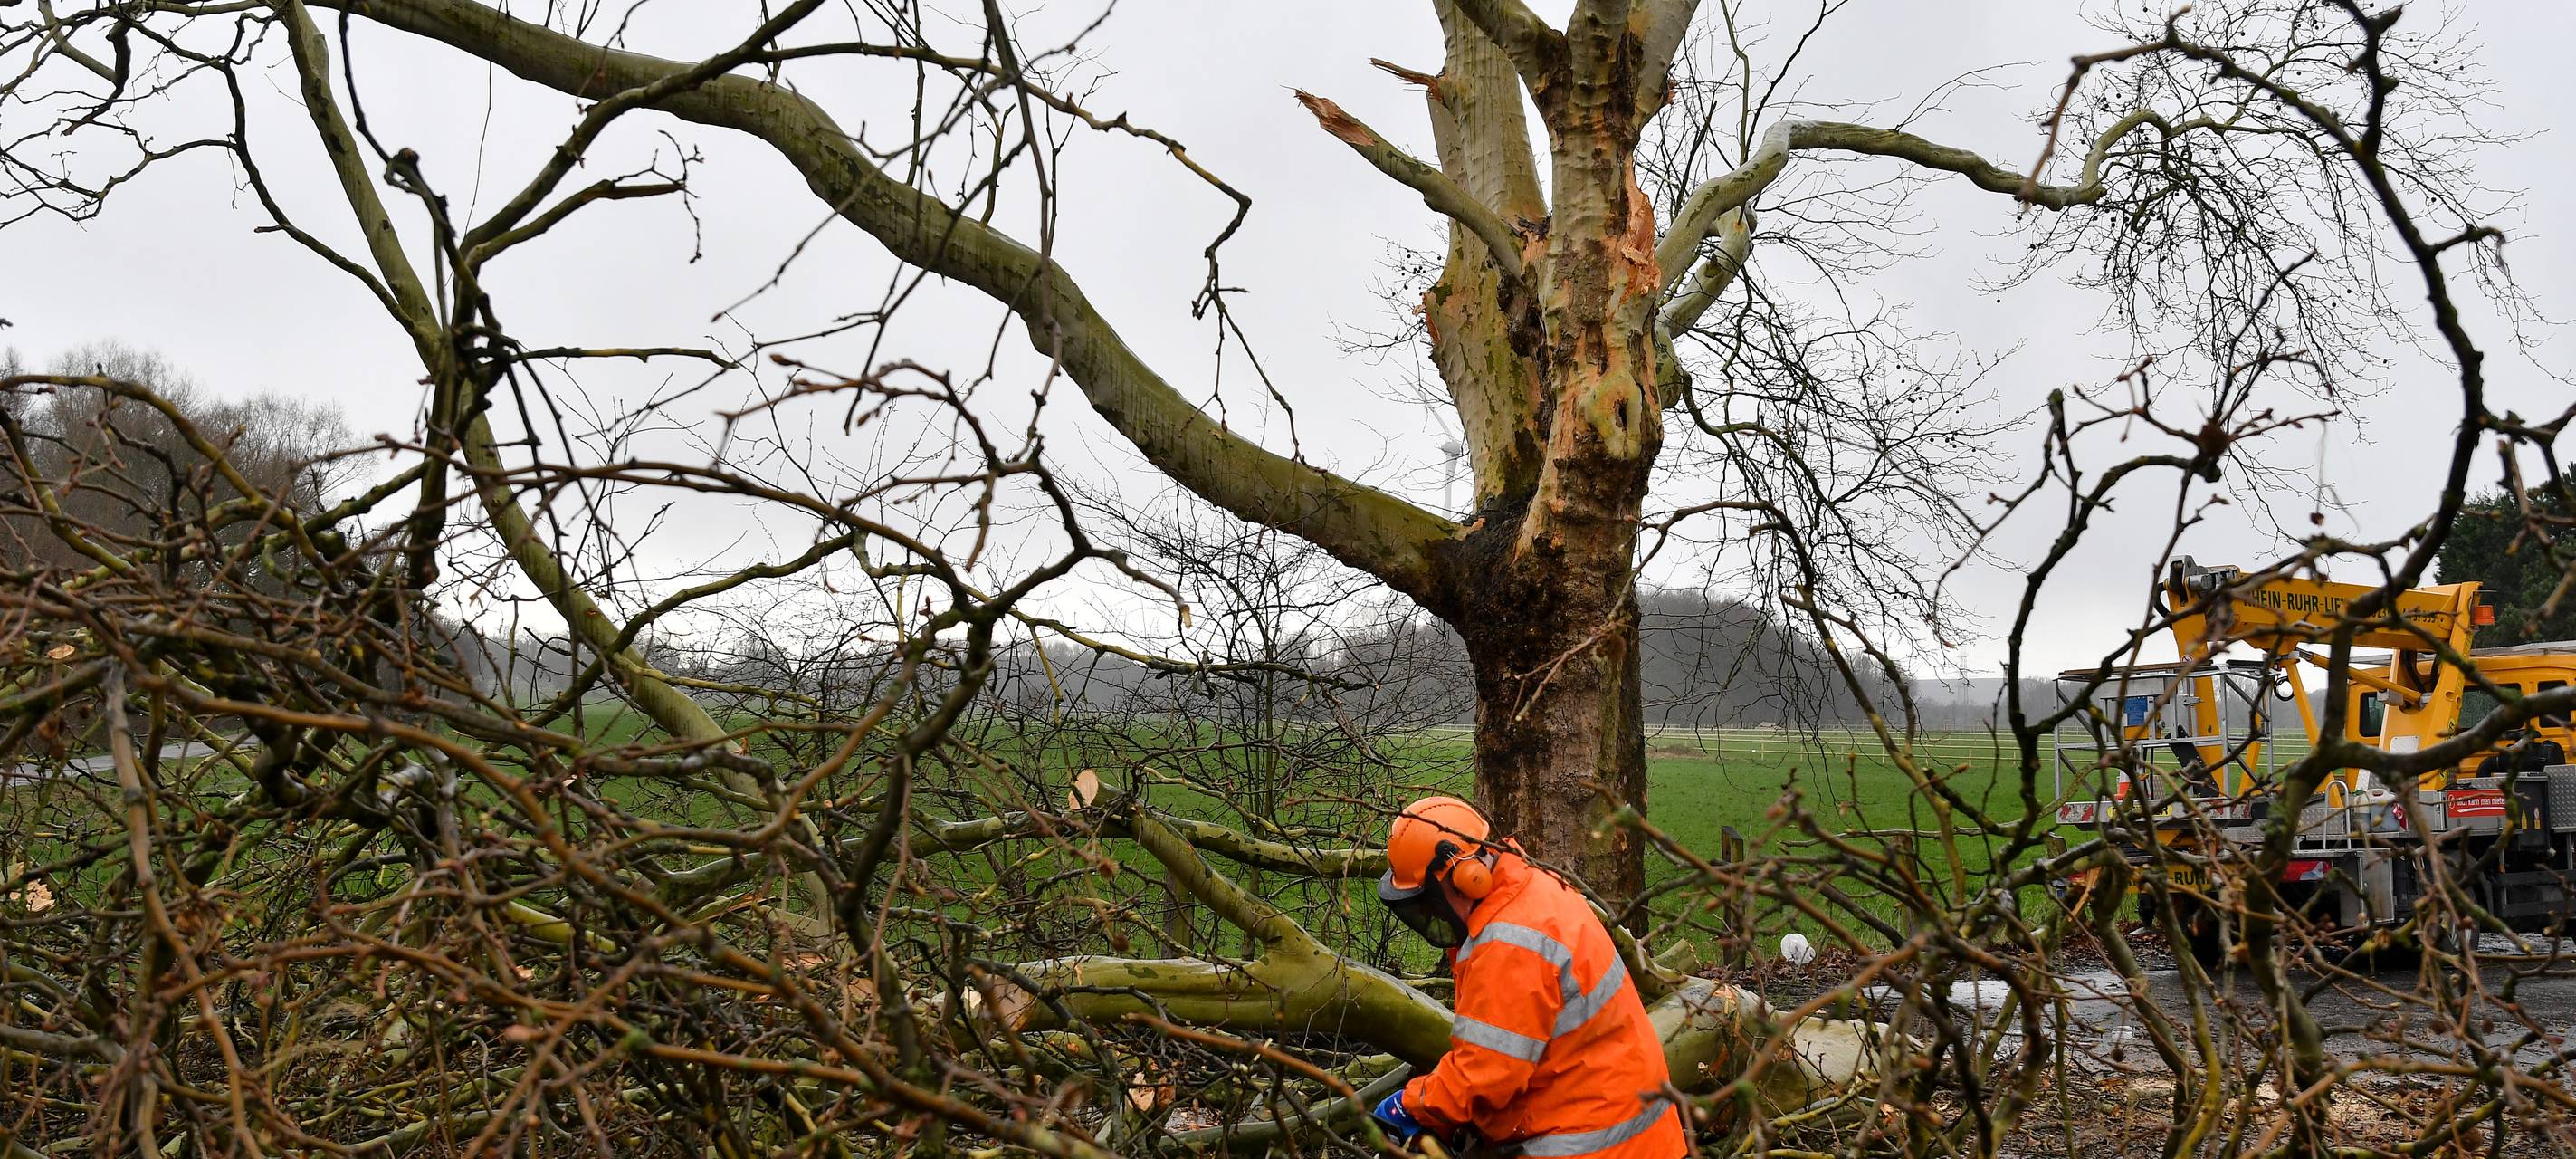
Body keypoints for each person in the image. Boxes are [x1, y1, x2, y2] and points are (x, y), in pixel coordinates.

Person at [1369, 796, 1685, 1159]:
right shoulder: (1531, 885)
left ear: (1466, 878)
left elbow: (1485, 1077)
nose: (1427, 914)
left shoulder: (1509, 941)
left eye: (1427, 901)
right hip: (1628, 1123)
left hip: (1593, 1142)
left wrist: (1414, 1104)